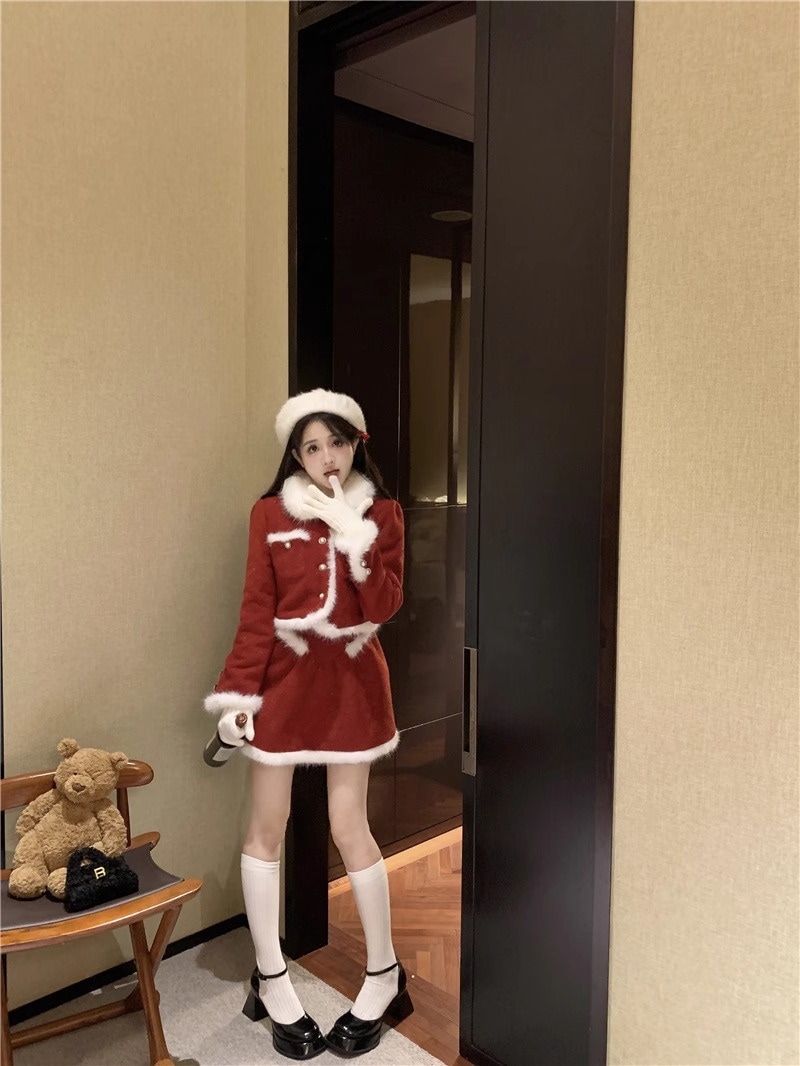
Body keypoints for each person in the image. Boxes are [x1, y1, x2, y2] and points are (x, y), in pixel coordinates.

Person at [205, 388, 413, 1060]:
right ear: (296, 454)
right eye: (312, 447)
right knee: (267, 826)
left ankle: (384, 973)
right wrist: (238, 696)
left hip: (353, 682)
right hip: (284, 682)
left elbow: (385, 605)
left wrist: (357, 539)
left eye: (338, 443)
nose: (327, 458)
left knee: (349, 825)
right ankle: (270, 977)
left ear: (356, 445)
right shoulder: (268, 513)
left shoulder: (382, 513)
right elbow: (254, 612)